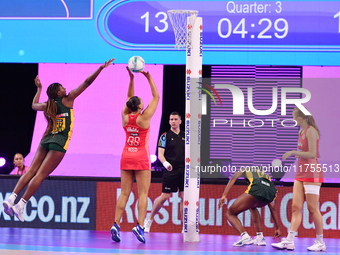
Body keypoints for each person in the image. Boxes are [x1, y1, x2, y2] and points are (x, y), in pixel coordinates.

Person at [2, 58, 114, 221]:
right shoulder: (67, 99)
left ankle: (12, 198)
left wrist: (38, 89)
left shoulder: (48, 104)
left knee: (32, 170)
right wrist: (100, 68)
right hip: (59, 141)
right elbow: (87, 82)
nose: (65, 88)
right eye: (62, 88)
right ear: (58, 92)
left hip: (46, 139)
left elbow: (34, 105)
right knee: (40, 175)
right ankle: (21, 205)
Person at [110, 67, 159, 243]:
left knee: (124, 193)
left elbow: (129, 100)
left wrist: (131, 79)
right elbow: (156, 97)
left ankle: (116, 224)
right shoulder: (143, 118)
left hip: (126, 156)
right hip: (140, 158)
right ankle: (139, 226)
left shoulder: (125, 117)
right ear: (139, 106)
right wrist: (149, 77)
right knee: (143, 193)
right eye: (141, 102)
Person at [272, 107, 326, 251]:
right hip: (301, 173)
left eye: (294, 117)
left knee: (312, 208)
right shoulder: (300, 131)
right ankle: (289, 240)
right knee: (296, 207)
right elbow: (304, 153)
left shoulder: (311, 131)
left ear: (301, 118)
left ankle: (320, 242)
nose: (294, 120)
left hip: (312, 173)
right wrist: (298, 154)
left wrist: (293, 152)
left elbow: (312, 154)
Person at [218, 166, 281, 247]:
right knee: (252, 206)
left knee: (230, 213)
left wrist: (224, 195)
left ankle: (244, 236)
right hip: (271, 191)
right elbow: (272, 208)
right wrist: (277, 228)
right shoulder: (266, 176)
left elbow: (233, 178)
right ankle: (260, 237)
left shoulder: (245, 169)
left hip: (257, 187)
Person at [144, 112, 185, 233]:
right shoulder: (164, 136)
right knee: (165, 196)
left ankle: (185, 227)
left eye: (175, 119)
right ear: (169, 121)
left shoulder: (186, 136)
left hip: (183, 171)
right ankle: (149, 220)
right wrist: (166, 164)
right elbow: (160, 154)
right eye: (171, 119)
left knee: (184, 197)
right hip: (170, 170)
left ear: (180, 121)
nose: (173, 121)